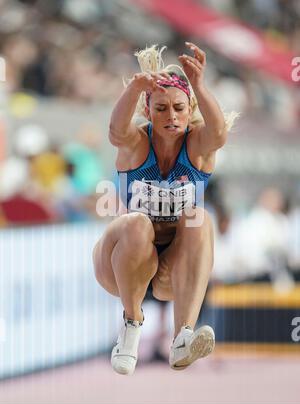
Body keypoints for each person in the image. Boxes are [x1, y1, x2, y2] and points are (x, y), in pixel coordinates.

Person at [93, 42, 237, 375]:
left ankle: (182, 336)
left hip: (167, 271)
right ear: (148, 110)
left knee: (199, 219)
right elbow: (116, 131)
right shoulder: (137, 142)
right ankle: (131, 325)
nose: (171, 116)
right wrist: (133, 88)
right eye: (161, 109)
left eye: (178, 108)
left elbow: (218, 133)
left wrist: (199, 84)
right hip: (121, 264)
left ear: (190, 110)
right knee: (137, 224)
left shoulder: (198, 148)